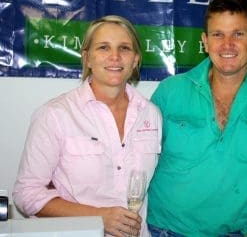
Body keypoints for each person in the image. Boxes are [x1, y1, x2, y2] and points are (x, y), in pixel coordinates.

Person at [147, 0, 247, 237]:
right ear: (205, 41)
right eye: (218, 34)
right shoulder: (169, 91)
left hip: (242, 232)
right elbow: (137, 163)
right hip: (169, 230)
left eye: (238, 34)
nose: (227, 44)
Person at [13, 15, 162, 237]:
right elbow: (26, 194)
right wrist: (98, 216)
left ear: (136, 59)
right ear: (87, 58)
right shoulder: (56, 114)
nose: (115, 57)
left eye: (124, 48)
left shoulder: (151, 114)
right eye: (103, 47)